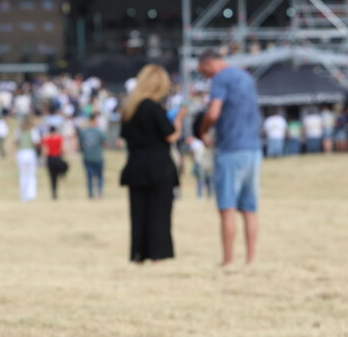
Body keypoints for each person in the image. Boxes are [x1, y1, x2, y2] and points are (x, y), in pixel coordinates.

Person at [198, 49, 262, 268]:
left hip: (230, 149)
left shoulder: (220, 79)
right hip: (253, 148)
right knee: (250, 209)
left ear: (209, 64)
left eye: (204, 72)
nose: (206, 77)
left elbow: (214, 112)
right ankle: (251, 260)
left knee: (227, 208)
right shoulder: (246, 77)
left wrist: (203, 130)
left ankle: (228, 260)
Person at [118, 65, 183, 264]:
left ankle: (138, 255)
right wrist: (179, 120)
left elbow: (124, 138)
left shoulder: (129, 108)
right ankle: (158, 256)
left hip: (136, 165)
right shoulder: (153, 108)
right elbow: (170, 135)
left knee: (138, 215)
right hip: (158, 167)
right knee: (159, 214)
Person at [76, 111, 106, 199]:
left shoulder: (83, 132)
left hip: (88, 157)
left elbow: (80, 145)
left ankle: (91, 194)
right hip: (97, 157)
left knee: (90, 177)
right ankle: (99, 193)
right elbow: (105, 143)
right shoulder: (100, 132)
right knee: (99, 176)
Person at [15, 114, 39, 202]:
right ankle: (31, 195)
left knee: (23, 175)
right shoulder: (33, 130)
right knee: (31, 174)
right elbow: (36, 142)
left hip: (21, 153)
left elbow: (16, 141)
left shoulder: (19, 130)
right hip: (30, 152)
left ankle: (23, 195)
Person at [39, 123, 67, 200]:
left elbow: (45, 151)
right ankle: (62, 175)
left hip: (50, 160)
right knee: (57, 175)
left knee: (52, 177)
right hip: (58, 158)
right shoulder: (59, 139)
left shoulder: (46, 140)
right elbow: (62, 149)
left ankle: (54, 192)